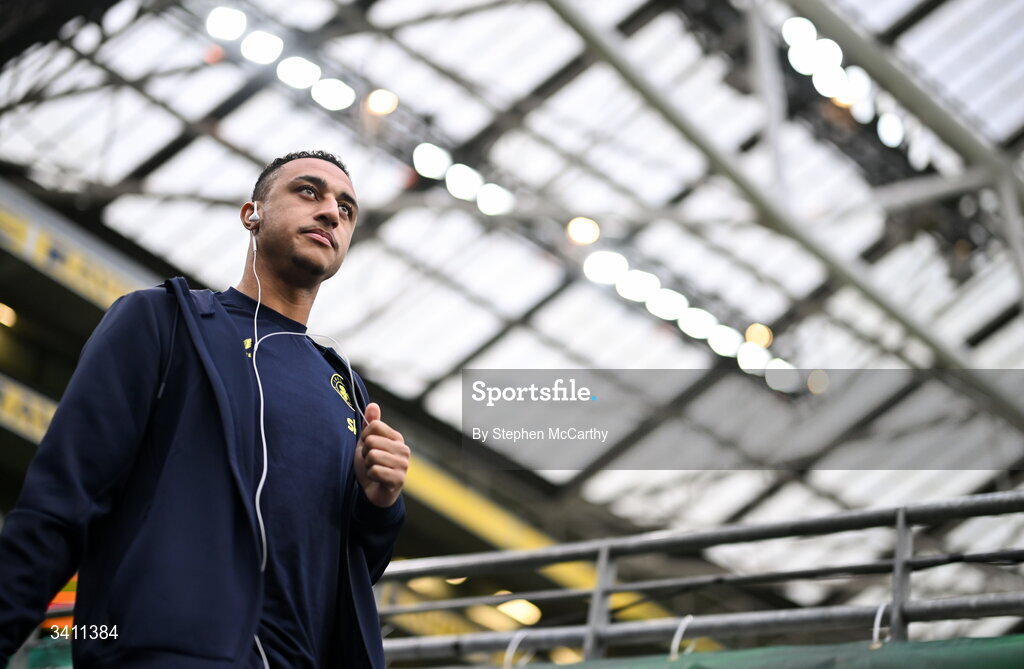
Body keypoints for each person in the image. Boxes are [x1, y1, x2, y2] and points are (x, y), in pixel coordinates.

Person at [0, 150, 409, 668]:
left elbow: (346, 570)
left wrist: (381, 503)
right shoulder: (163, 322)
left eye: (346, 209)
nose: (331, 212)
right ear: (251, 214)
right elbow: (61, 500)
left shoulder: (348, 392)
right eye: (309, 192)